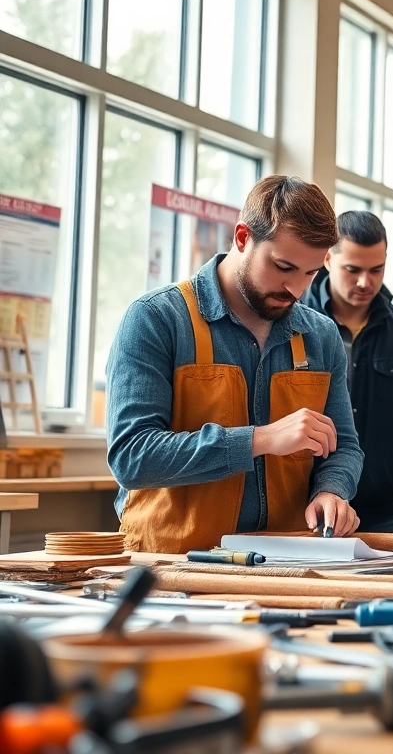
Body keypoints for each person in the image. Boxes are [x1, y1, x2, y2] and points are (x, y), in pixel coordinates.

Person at [107, 176, 362, 553]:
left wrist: (332, 491)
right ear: (242, 238)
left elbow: (343, 446)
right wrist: (260, 440)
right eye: (282, 266)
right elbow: (133, 456)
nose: (296, 289)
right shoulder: (156, 319)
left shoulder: (321, 335)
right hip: (170, 566)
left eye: (310, 274)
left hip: (287, 563)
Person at [300, 211, 393, 533]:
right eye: (353, 269)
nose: (366, 282)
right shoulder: (294, 324)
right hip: (302, 507)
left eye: (377, 270)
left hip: (384, 510)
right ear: (327, 259)